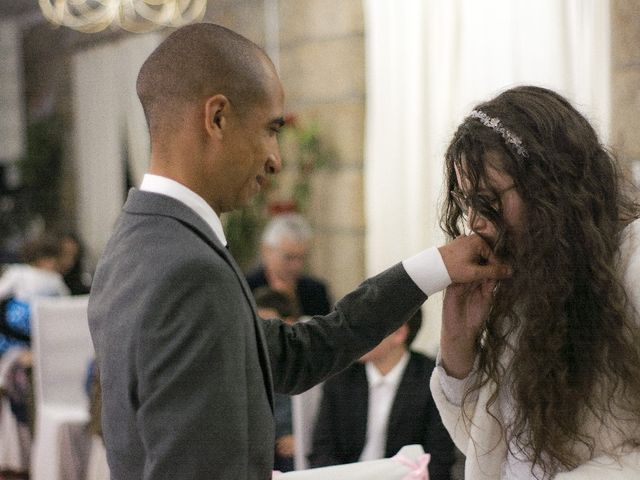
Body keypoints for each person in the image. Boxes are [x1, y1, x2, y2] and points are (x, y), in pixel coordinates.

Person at [87, 23, 510, 480]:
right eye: (271, 130)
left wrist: (435, 267)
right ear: (217, 118)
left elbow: (296, 355)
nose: (276, 158)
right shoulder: (190, 268)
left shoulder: (137, 240)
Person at [430, 85, 640, 479]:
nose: (475, 222)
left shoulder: (631, 256)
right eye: (467, 204)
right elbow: (487, 446)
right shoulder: (529, 277)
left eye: (488, 200)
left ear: (548, 185)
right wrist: (457, 344)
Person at [309, 309, 455, 479]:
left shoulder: (432, 379)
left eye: (363, 328)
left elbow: (439, 457)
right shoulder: (342, 377)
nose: (353, 336)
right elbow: (322, 449)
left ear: (399, 333)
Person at [247, 213, 331, 317]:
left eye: (302, 258)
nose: (296, 266)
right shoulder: (246, 287)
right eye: (289, 258)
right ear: (267, 251)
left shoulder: (316, 291)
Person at [0, 235, 70, 354]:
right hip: (16, 322)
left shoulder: (55, 279)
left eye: (54, 258)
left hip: (42, 326)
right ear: (37, 257)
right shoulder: (18, 272)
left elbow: (66, 303)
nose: (51, 262)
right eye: (48, 257)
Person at [254, 287, 298, 472]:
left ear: (288, 323)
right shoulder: (253, 363)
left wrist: (299, 438)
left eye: (266, 325)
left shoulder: (311, 363)